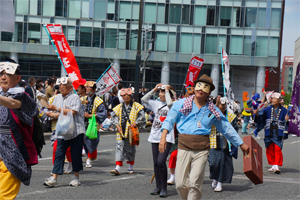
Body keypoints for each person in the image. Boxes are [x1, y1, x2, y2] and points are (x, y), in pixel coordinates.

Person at [159, 74, 249, 200]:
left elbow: (226, 127)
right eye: (199, 86)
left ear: (209, 92)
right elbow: (169, 120)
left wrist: (241, 144)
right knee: (180, 184)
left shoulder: (212, 111)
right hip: (184, 147)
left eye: (205, 87)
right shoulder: (181, 104)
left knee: (194, 183)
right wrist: (163, 137)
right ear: (195, 88)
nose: (201, 89)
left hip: (201, 150)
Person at [0, 60, 38, 199]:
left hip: (11, 154)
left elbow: (13, 103)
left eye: (8, 74)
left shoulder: (23, 96)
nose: (3, 77)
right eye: (1, 74)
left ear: (17, 78)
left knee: (3, 196)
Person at [43, 77, 85, 187]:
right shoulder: (56, 98)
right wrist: (52, 114)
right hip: (62, 130)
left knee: (76, 154)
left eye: (65, 86)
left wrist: (56, 109)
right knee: (59, 153)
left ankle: (76, 177)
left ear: (71, 88)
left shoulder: (75, 97)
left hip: (76, 130)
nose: (62, 88)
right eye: (60, 86)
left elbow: (73, 112)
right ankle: (54, 177)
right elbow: (59, 113)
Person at [142, 83, 175, 197]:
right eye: (160, 92)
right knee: (156, 163)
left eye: (163, 92)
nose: (160, 94)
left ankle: (164, 188)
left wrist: (167, 90)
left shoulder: (173, 105)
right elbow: (143, 99)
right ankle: (158, 186)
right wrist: (154, 90)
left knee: (161, 161)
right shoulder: (156, 104)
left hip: (167, 137)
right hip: (154, 136)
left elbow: (170, 103)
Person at [110, 88, 146, 175]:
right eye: (124, 95)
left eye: (128, 95)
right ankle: (117, 168)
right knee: (119, 147)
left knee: (131, 149)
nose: (126, 97)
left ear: (131, 96)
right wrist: (117, 126)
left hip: (131, 131)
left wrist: (136, 123)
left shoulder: (137, 106)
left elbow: (142, 117)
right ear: (121, 97)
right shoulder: (118, 107)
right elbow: (114, 118)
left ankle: (130, 167)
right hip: (121, 131)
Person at [209, 97, 239, 192]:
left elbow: (235, 130)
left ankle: (220, 182)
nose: (223, 106)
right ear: (217, 105)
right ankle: (215, 177)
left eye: (225, 104)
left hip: (226, 142)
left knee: (223, 162)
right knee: (213, 163)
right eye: (221, 104)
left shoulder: (231, 116)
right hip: (213, 140)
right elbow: (206, 123)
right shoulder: (211, 114)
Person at [255, 92, 289, 174]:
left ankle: (276, 165)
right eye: (272, 98)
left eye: (274, 99)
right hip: (268, 130)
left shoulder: (284, 110)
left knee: (277, 148)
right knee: (269, 148)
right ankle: (273, 164)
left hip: (278, 131)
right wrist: (256, 114)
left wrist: (287, 120)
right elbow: (261, 115)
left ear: (279, 100)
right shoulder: (268, 109)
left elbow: (287, 121)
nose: (272, 100)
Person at [82, 81, 106, 168]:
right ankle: (87, 156)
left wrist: (90, 115)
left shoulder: (98, 101)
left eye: (90, 88)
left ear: (94, 89)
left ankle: (89, 158)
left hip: (93, 124)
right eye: (86, 87)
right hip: (83, 123)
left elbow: (103, 114)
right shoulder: (84, 99)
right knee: (83, 140)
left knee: (91, 141)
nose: (88, 89)